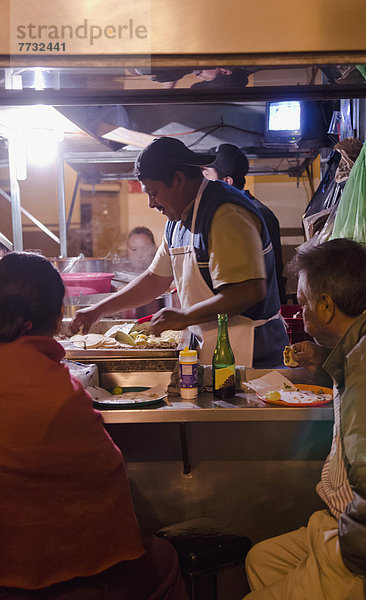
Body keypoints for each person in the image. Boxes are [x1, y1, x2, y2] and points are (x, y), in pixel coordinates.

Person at [0, 252, 188, 600]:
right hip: (54, 578)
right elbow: (106, 475)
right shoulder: (56, 389)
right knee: (164, 559)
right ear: (57, 318)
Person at [244, 239, 366, 600]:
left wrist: (353, 551)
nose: (299, 313)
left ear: (327, 306)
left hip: (364, 548)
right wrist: (325, 354)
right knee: (262, 560)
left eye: (302, 303)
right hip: (339, 522)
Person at [71, 137, 288, 368]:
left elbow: (248, 290)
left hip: (251, 353)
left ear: (179, 179)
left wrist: (184, 317)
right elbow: (155, 280)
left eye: (153, 193)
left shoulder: (225, 212)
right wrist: (98, 310)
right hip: (213, 346)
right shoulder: (177, 220)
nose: (151, 204)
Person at [202, 143, 288, 304]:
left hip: (259, 314)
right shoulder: (219, 214)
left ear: (227, 181)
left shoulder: (258, 214)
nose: (202, 183)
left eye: (206, 176)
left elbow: (269, 275)